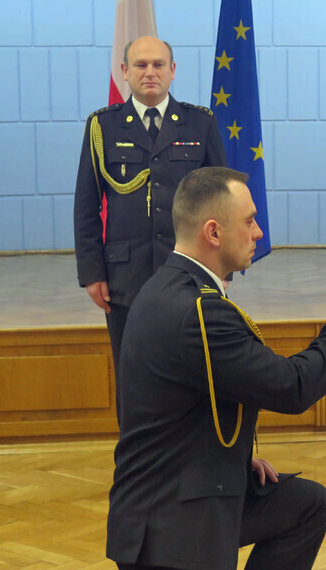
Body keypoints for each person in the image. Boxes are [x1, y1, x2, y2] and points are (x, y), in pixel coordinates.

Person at [106, 166, 326, 570]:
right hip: (168, 525)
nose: (259, 232)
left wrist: (234, 457)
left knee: (305, 505)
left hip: (180, 485)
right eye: (249, 221)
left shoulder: (168, 286)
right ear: (213, 233)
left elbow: (178, 404)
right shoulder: (197, 311)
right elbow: (290, 387)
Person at [73, 36, 227, 402]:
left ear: (173, 71)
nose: (150, 72)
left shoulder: (200, 124)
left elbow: (222, 202)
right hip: (126, 275)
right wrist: (92, 272)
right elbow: (86, 204)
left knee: (192, 372)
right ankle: (136, 458)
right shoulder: (102, 127)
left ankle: (188, 456)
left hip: (191, 273)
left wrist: (222, 268)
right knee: (132, 378)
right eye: (140, 65)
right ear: (124, 72)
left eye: (158, 64)